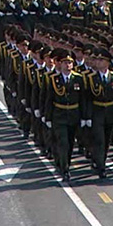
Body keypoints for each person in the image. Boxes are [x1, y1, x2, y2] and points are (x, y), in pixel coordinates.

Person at [44, 48, 86, 182]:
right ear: (60, 64)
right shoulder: (53, 79)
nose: (67, 65)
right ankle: (65, 168)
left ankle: (65, 161)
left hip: (73, 114)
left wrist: (84, 117)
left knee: (70, 142)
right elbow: (49, 99)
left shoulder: (78, 79)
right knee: (63, 142)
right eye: (65, 62)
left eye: (70, 62)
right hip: (59, 115)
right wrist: (48, 117)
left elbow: (83, 100)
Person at [84, 48, 113, 179]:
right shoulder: (90, 78)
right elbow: (87, 99)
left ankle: (99, 160)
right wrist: (87, 116)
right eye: (97, 60)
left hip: (110, 113)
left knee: (106, 141)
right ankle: (101, 167)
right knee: (99, 140)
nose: (98, 62)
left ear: (107, 62)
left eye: (101, 60)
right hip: (97, 112)